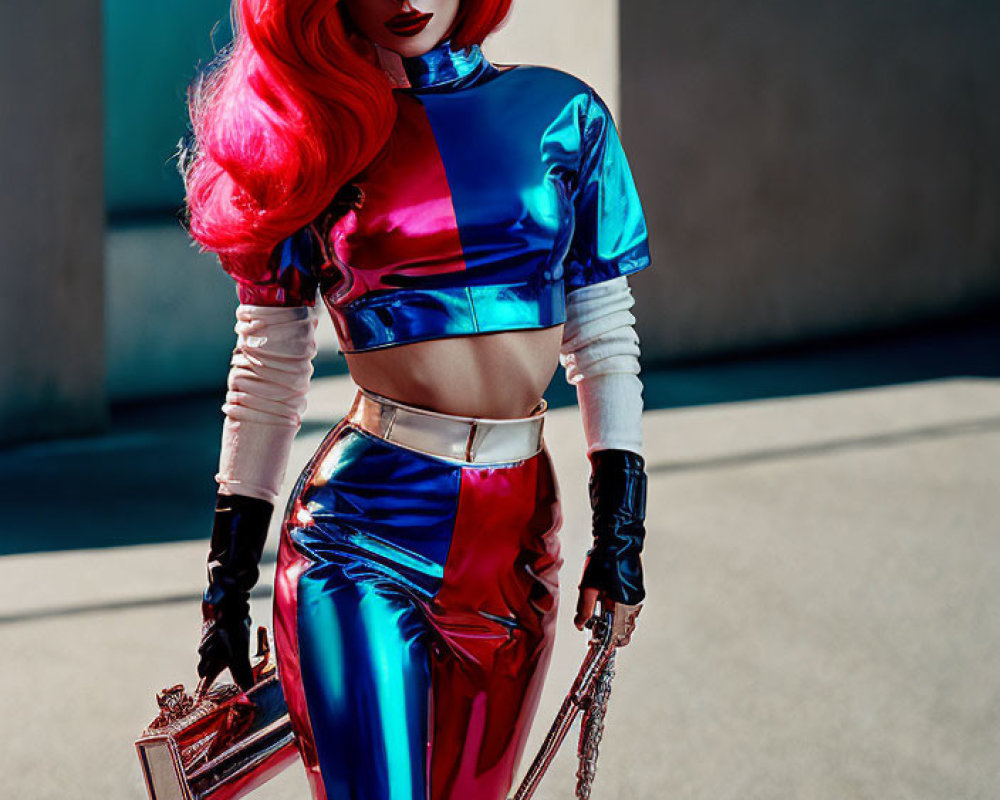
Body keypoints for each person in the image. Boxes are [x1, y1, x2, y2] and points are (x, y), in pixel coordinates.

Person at [185, 1, 650, 798]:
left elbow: (603, 335)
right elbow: (268, 368)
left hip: (516, 539)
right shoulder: (310, 141)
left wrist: (622, 529)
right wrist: (227, 583)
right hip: (359, 536)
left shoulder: (564, 113)